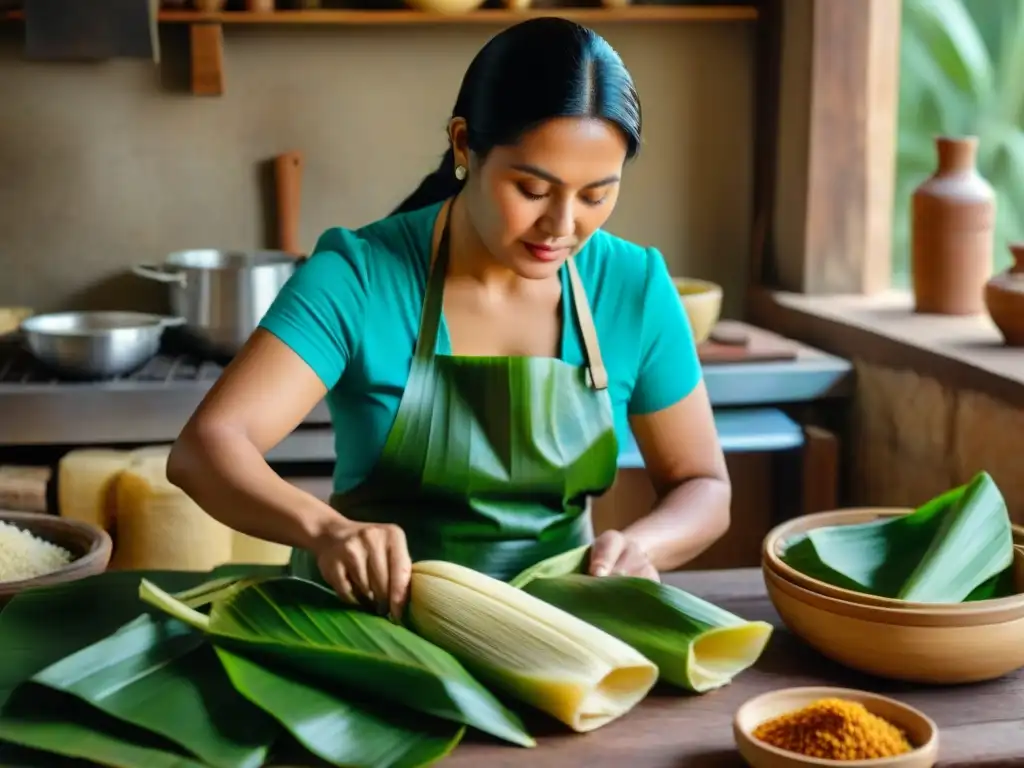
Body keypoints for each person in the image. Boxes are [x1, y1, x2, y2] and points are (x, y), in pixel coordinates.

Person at [166, 17, 731, 622]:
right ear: (464, 146)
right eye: (533, 190)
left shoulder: (634, 286)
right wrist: (326, 531)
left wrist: (643, 545)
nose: (563, 226)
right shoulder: (359, 275)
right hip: (369, 629)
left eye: (596, 195)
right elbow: (207, 448)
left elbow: (703, 485)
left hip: (555, 633)